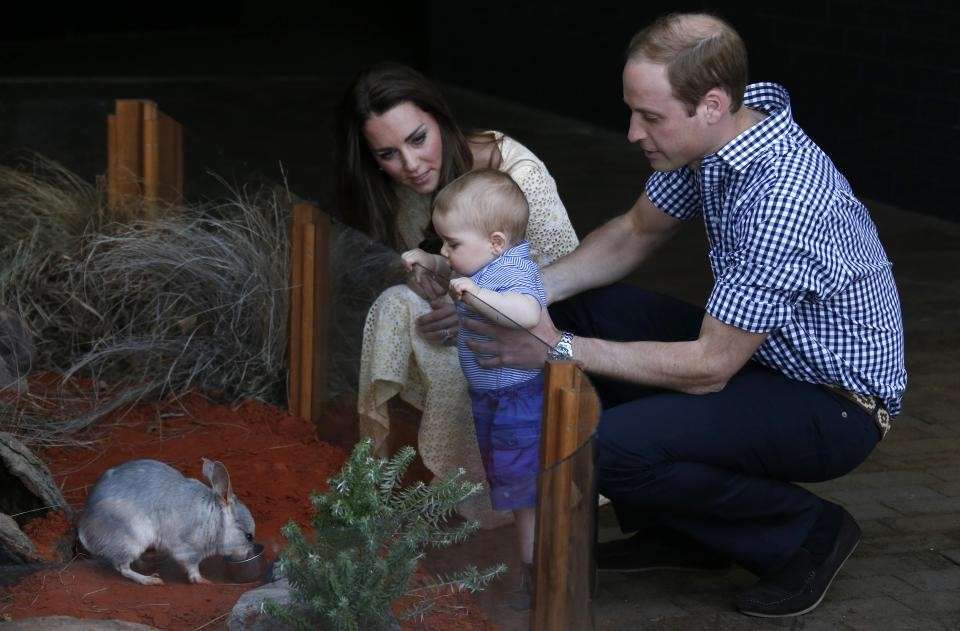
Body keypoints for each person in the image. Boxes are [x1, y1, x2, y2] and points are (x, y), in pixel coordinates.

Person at [463, 12, 906, 618]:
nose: (631, 132)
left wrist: (556, 347)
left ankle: (806, 533)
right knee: (585, 304)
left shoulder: (781, 195)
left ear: (712, 104)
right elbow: (634, 232)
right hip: (764, 357)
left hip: (832, 402)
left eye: (650, 116)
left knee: (608, 447)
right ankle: (687, 533)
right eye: (632, 111)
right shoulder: (718, 144)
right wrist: (512, 298)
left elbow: (711, 365)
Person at [338, 63, 579, 527]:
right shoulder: (401, 189)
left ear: (442, 120)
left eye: (417, 139)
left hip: (538, 345)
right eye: (387, 154)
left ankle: (494, 502)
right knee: (393, 305)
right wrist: (432, 288)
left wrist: (470, 307)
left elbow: (559, 289)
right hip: (468, 332)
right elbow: (436, 269)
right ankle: (378, 475)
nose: (409, 165)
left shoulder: (516, 175)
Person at [403, 168, 546, 609]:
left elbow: (526, 312)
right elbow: (453, 271)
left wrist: (473, 295)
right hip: (490, 397)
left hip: (518, 400)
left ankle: (535, 574)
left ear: (497, 242)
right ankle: (528, 562)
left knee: (524, 491)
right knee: (508, 483)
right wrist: (426, 263)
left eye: (452, 243)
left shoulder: (514, 270)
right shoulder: (483, 263)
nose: (445, 252)